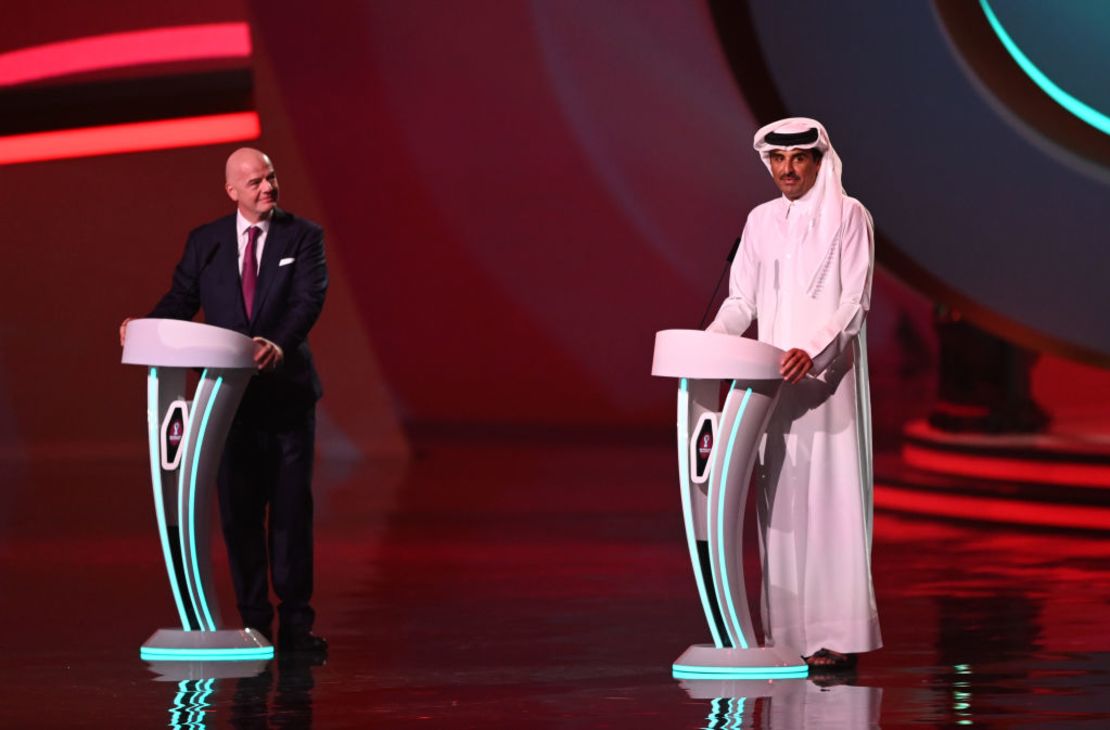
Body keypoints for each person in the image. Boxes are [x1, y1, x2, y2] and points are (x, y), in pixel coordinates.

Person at [120, 147, 328, 654]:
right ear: (232, 190)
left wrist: (277, 343)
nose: (268, 188)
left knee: (289, 515)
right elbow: (180, 300)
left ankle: (297, 626)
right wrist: (142, 326)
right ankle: (253, 622)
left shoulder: (302, 237)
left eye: (271, 177)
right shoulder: (207, 243)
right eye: (255, 181)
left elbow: (307, 301)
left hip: (286, 402)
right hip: (227, 405)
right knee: (238, 516)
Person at [707, 118, 881, 669]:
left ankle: (836, 635)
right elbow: (742, 301)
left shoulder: (851, 217)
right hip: (770, 386)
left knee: (831, 503)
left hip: (828, 385)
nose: (786, 169)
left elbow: (853, 304)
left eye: (797, 159)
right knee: (779, 505)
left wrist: (811, 349)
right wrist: (709, 343)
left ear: (816, 160)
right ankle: (787, 634)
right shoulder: (760, 221)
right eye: (777, 160)